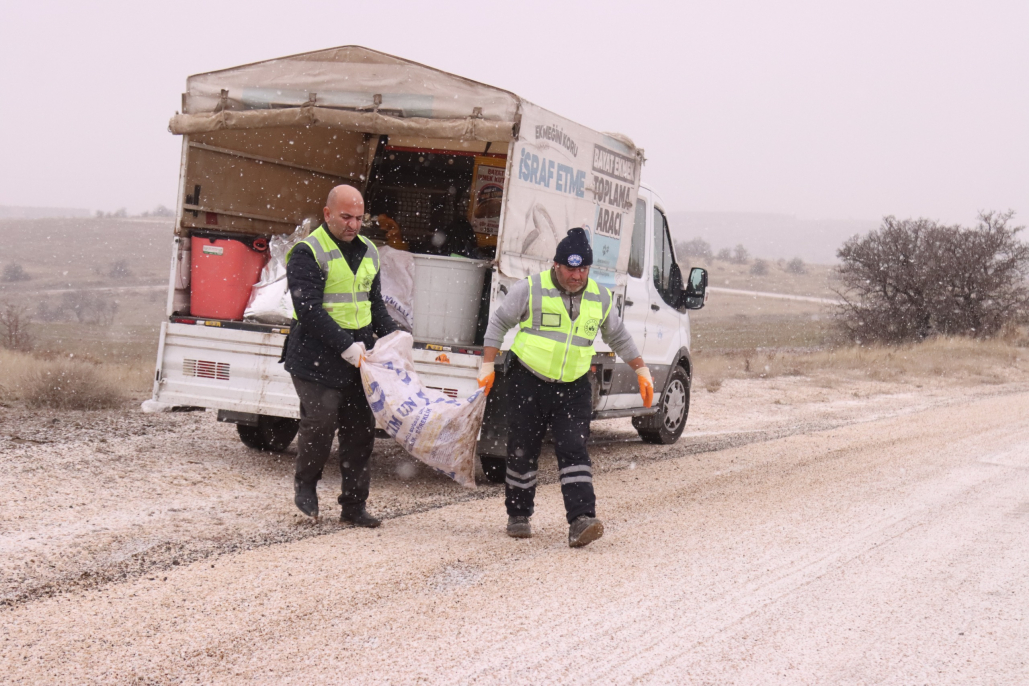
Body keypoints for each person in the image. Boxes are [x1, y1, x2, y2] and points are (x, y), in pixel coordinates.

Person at [477, 227, 654, 548]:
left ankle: (581, 519)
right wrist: (488, 364)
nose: (577, 275)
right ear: (556, 265)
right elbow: (499, 322)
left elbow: (618, 336)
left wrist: (641, 369)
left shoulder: (599, 297)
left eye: (583, 269)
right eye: (571, 268)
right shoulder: (530, 289)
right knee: (522, 450)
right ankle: (518, 515)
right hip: (528, 379)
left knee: (574, 448)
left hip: (573, 386)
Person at [281, 185, 398, 525]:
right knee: (320, 422)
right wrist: (344, 346)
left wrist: (393, 336)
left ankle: (354, 506)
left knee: (360, 431)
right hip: (315, 353)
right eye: (346, 217)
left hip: (360, 355)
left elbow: (375, 303)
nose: (354, 225)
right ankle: (306, 486)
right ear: (327, 213)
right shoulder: (307, 252)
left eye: (360, 218)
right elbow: (309, 309)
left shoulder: (369, 251)